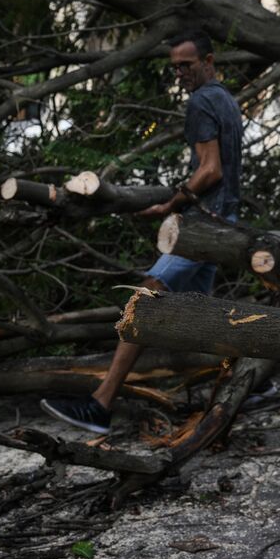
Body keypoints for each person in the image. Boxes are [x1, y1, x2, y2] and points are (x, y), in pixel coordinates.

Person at [41, 29, 243, 434]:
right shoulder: (226, 100)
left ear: (208, 60)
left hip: (201, 228)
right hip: (224, 223)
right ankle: (252, 379)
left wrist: (171, 205)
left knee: (144, 301)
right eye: (175, 68)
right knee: (210, 319)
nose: (180, 73)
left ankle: (100, 405)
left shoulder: (203, 101)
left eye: (187, 65)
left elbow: (210, 170)